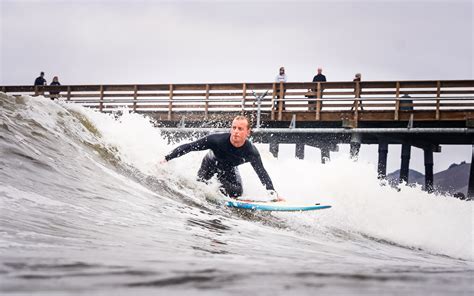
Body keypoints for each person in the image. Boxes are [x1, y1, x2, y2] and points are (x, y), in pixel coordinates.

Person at [161, 116, 284, 201]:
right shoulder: (217, 141)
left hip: (228, 168)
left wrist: (272, 193)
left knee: (237, 192)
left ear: (248, 132)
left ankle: (219, 192)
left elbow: (261, 173)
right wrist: (166, 158)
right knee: (199, 188)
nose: (235, 131)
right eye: (234, 127)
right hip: (209, 165)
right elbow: (189, 147)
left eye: (240, 129)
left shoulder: (251, 152)